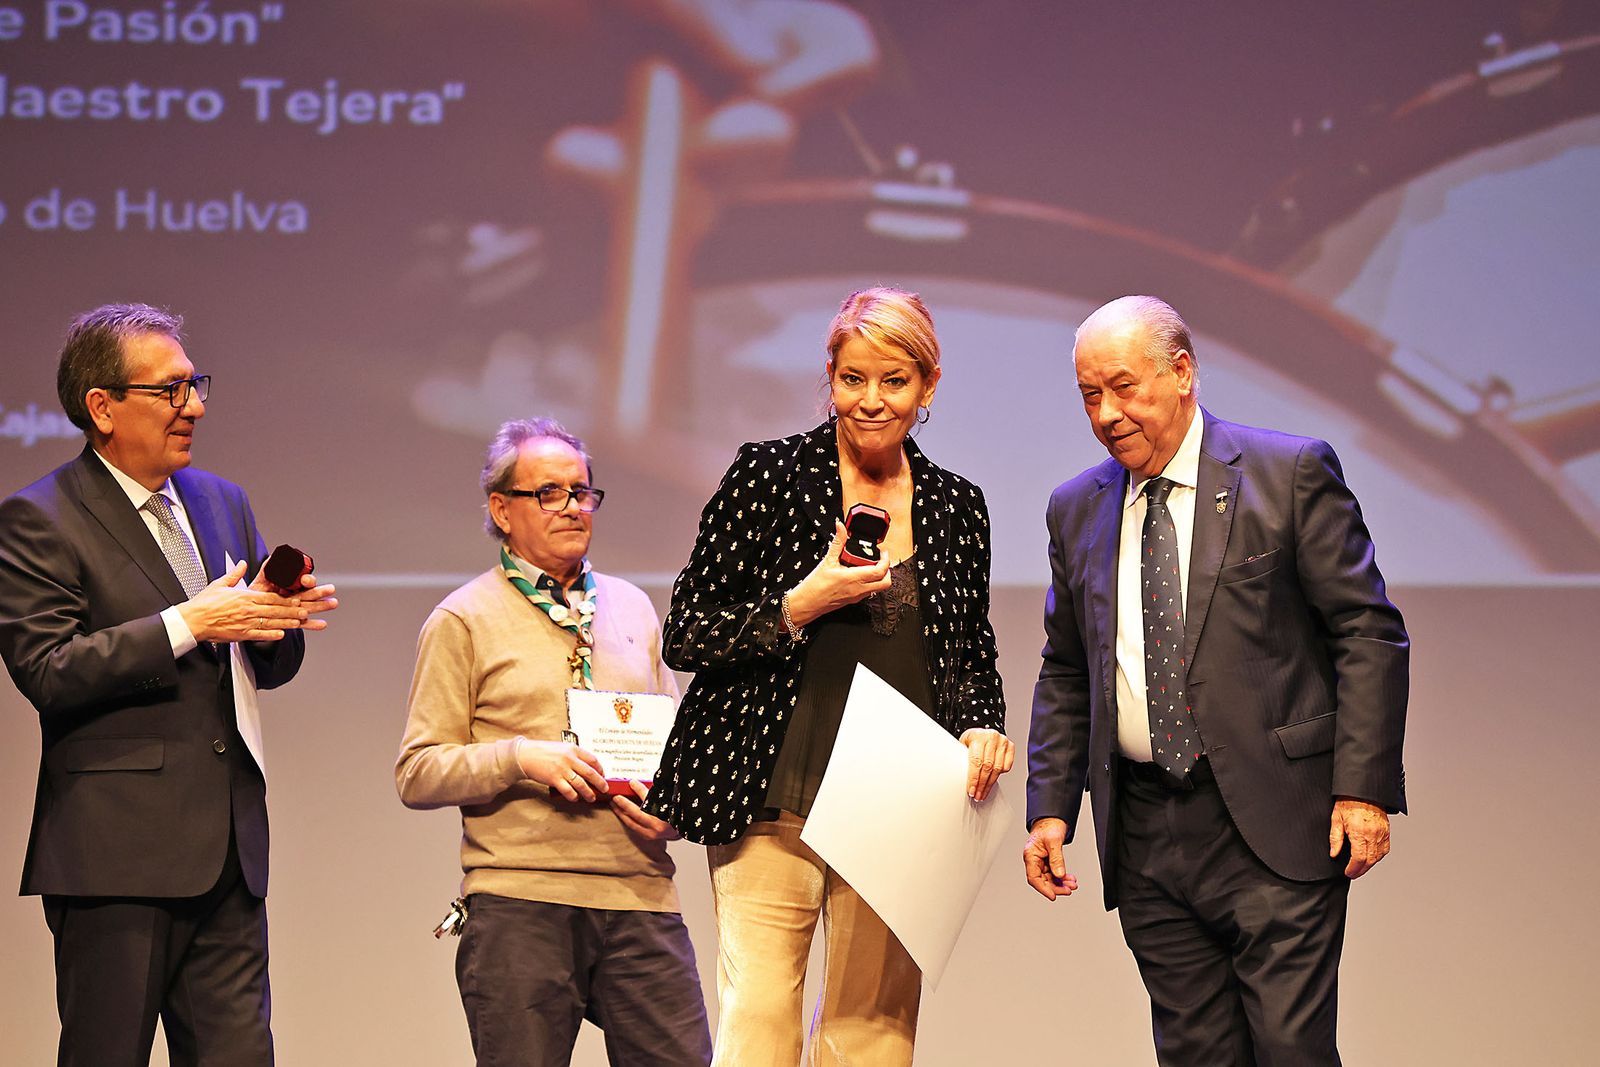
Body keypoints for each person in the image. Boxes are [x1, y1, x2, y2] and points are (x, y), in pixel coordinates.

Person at [1023, 295, 1409, 1064]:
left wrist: (1361, 787)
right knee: (1195, 1053)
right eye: (1089, 394)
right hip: (1147, 836)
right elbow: (1067, 668)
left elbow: (1367, 630)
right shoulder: (1077, 508)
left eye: (1124, 387)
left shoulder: (1288, 472)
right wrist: (1050, 807)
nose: (1106, 413)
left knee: (1289, 1048)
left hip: (1275, 820)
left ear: (1183, 372)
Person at [646, 286, 1014, 1066]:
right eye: (853, 379)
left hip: (899, 805)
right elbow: (687, 630)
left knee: (874, 1032)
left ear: (929, 385)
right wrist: (797, 604)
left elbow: (970, 651)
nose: (871, 401)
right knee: (759, 1021)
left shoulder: (958, 506)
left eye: (893, 381)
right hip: (772, 792)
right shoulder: (770, 474)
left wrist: (985, 720)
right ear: (830, 375)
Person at [0, 303, 338, 1066]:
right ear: (103, 406)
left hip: (228, 851)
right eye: (173, 389)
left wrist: (277, 617)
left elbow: (264, 664)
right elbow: (49, 669)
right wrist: (191, 621)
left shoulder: (223, 500)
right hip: (115, 855)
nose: (197, 405)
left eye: (197, 385)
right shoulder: (39, 518)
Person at [395, 417, 712, 1067]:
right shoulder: (463, 618)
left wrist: (673, 809)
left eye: (582, 491)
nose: (573, 506)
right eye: (550, 492)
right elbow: (417, 770)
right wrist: (520, 757)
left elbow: (675, 751)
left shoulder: (632, 608)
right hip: (521, 902)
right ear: (501, 509)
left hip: (640, 896)